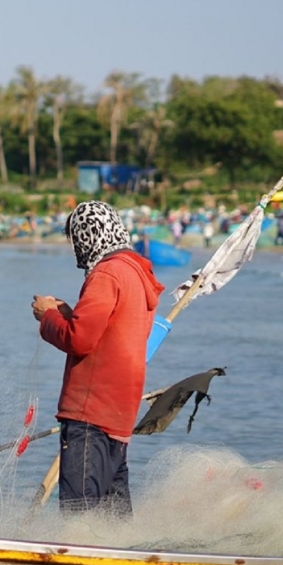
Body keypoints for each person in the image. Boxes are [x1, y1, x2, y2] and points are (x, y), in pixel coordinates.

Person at [31, 201, 165, 516]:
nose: (76, 250)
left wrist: (47, 318)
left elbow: (80, 339)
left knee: (80, 515)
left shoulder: (107, 273)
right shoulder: (136, 272)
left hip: (90, 413)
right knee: (113, 521)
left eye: (76, 241)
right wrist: (65, 313)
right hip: (119, 414)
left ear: (86, 237)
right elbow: (109, 333)